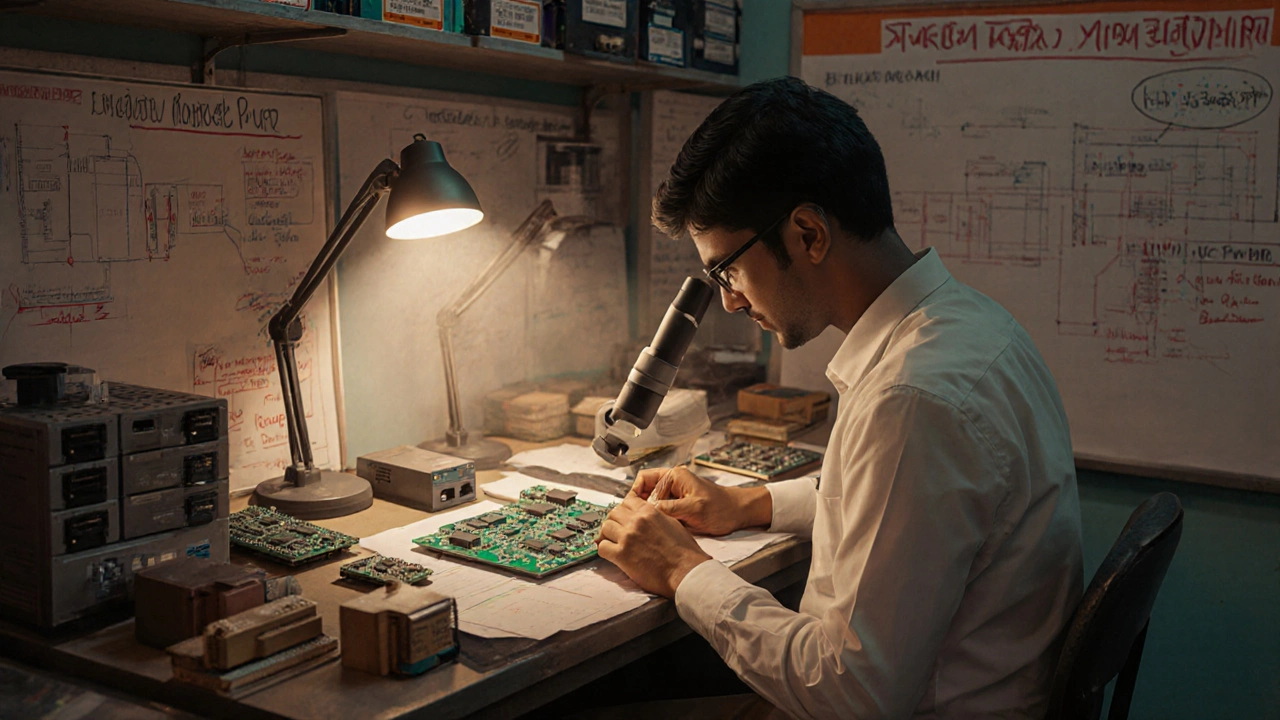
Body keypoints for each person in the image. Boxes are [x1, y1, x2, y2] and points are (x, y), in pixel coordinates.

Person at [594, 77, 1084, 719]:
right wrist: (748, 502)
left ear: (808, 234)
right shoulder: (971, 326)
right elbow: (899, 508)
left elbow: (850, 692)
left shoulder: (911, 399)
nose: (730, 301)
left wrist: (683, 569)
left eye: (727, 270)